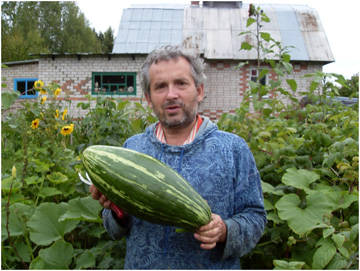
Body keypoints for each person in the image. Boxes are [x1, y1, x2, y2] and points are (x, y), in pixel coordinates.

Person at [90, 45, 267, 269]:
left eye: (181, 83)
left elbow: (256, 217)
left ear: (199, 91)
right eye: (160, 86)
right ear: (148, 98)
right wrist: (118, 212)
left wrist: (224, 231)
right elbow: (113, 230)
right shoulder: (131, 149)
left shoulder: (233, 149)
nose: (171, 94)